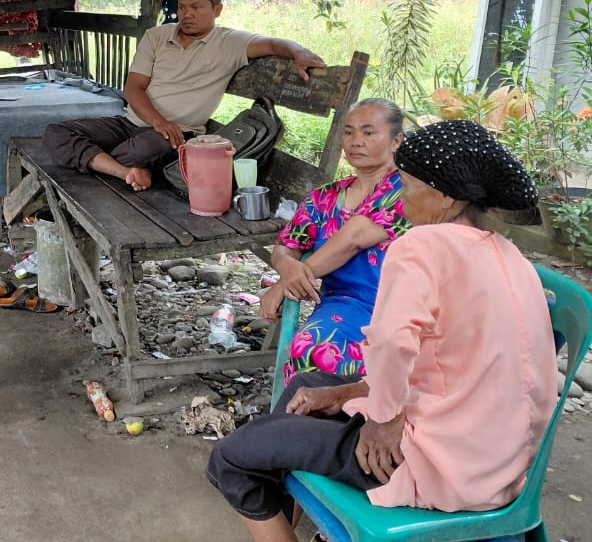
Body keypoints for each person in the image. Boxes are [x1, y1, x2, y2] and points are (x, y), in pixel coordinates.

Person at [208, 119, 556, 542]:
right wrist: (346, 393)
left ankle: (289, 500)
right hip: (499, 461)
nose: (401, 200)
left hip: (443, 469)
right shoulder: (510, 256)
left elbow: (392, 343)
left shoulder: (421, 245)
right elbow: (455, 366)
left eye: (408, 186)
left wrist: (385, 417)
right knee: (307, 384)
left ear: (445, 196)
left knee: (232, 456)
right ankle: (308, 509)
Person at [42, 0, 324, 191]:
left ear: (217, 9)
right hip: (134, 122)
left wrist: (298, 52)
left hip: (179, 135)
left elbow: (273, 43)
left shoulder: (229, 43)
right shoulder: (156, 36)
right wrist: (157, 121)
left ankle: (110, 164)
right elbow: (133, 88)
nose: (186, 14)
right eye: (182, 6)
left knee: (144, 149)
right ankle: (125, 172)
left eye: (197, 7)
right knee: (56, 133)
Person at [260, 98, 408, 383]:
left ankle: (342, 422)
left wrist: (281, 286)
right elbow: (286, 245)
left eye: (368, 132)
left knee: (321, 353)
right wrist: (286, 267)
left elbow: (351, 240)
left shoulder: (405, 191)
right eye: (349, 132)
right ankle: (313, 423)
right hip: (342, 304)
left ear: (396, 141)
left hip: (396, 308)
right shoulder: (325, 196)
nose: (355, 141)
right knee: (312, 347)